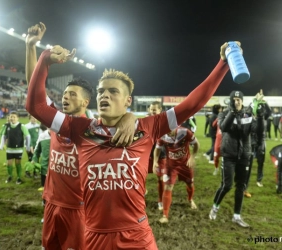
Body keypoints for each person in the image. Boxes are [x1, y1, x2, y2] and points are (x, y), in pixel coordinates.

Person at [26, 39, 234, 249]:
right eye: (100, 91)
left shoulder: (147, 127)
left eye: (113, 91)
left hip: (136, 237)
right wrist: (45, 60)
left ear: (128, 100)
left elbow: (192, 104)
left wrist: (222, 64)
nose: (105, 94)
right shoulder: (79, 128)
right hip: (94, 237)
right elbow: (35, 106)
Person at [26, 22, 136, 250]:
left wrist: (130, 117)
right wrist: (31, 47)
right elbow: (34, 91)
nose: (65, 98)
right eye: (64, 94)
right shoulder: (57, 121)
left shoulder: (93, 129)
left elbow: (121, 124)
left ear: (86, 102)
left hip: (80, 209)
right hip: (51, 204)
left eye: (72, 95)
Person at [209, 90, 264, 228]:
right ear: (231, 100)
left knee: (241, 186)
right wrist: (232, 112)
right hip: (229, 155)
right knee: (226, 185)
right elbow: (224, 127)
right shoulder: (224, 113)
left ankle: (237, 216)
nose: (237, 101)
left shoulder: (248, 114)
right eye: (234, 99)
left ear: (242, 100)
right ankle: (215, 207)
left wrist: (260, 117)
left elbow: (256, 130)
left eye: (239, 99)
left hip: (244, 155)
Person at [154, 126, 199, 223]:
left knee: (190, 184)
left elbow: (196, 144)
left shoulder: (185, 132)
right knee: (168, 187)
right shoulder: (162, 135)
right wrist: (155, 161)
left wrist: (192, 157)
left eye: (170, 130)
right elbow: (157, 149)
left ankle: (190, 199)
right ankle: (165, 216)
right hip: (171, 166)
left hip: (185, 165)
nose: (168, 133)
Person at [0, 111, 31, 184]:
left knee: (17, 163)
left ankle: (19, 178)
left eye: (14, 117)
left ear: (18, 118)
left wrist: (28, 147)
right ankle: (10, 176)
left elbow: (28, 136)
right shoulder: (7, 126)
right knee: (9, 163)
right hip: (9, 149)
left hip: (19, 149)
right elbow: (3, 136)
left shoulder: (21, 126)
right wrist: (1, 145)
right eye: (11, 117)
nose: (12, 118)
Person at [146, 101, 167, 210]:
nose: (152, 111)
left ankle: (160, 200)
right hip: (147, 155)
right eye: (151, 109)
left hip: (160, 155)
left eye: (155, 109)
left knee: (161, 179)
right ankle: (142, 192)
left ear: (160, 110)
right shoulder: (145, 122)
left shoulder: (164, 123)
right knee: (139, 175)